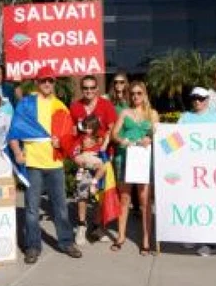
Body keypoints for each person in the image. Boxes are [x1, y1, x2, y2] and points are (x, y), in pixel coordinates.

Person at [8, 66, 82, 264]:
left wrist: (63, 143)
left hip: (55, 164)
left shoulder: (60, 106)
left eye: (50, 81)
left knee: (60, 207)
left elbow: (69, 137)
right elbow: (14, 132)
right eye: (43, 81)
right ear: (37, 82)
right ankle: (32, 246)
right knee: (32, 209)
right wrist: (17, 152)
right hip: (32, 163)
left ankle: (66, 242)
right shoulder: (26, 104)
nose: (47, 84)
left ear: (54, 83)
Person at [111, 81, 160, 255]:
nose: (135, 96)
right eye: (132, 93)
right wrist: (121, 140)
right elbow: (114, 134)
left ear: (145, 94)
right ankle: (121, 236)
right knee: (124, 199)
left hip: (145, 161)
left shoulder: (152, 114)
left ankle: (146, 239)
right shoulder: (125, 112)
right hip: (126, 158)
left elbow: (158, 134)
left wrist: (150, 138)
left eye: (139, 93)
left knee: (145, 202)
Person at [69, 75, 118, 244]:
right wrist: (75, 155)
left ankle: (97, 226)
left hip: (102, 156)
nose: (89, 91)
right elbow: (72, 133)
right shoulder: (75, 107)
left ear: (97, 89)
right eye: (85, 88)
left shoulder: (106, 105)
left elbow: (112, 129)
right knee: (82, 191)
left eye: (92, 88)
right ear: (82, 89)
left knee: (100, 194)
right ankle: (82, 226)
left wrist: (104, 146)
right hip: (82, 156)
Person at [177, 87, 216, 256]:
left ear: (207, 100)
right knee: (192, 203)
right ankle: (193, 235)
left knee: (210, 205)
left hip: (211, 170)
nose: (197, 101)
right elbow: (174, 140)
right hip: (190, 169)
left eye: (201, 98)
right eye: (194, 98)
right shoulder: (185, 118)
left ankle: (210, 243)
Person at [71, 116, 109, 239]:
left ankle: (96, 227)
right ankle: (82, 225)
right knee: (82, 195)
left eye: (90, 128)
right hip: (86, 165)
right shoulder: (81, 138)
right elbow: (74, 152)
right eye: (86, 128)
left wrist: (107, 138)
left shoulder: (99, 139)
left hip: (96, 165)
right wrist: (78, 160)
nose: (88, 130)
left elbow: (104, 148)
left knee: (99, 198)